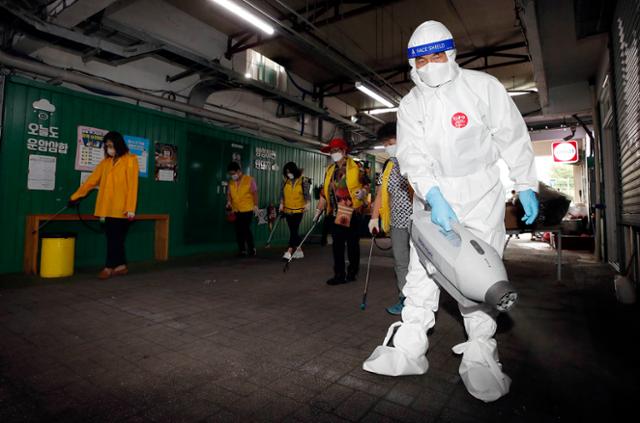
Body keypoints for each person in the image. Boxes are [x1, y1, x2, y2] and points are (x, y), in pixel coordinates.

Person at [363, 21, 539, 402]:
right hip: (434, 196)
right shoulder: (411, 104)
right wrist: (434, 196)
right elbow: (411, 156)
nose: (430, 64)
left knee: (478, 274)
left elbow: (512, 134)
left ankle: (480, 354)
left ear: (451, 54)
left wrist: (525, 183)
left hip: (482, 193)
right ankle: (409, 347)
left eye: (437, 56)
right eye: (421, 60)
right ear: (412, 64)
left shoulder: (482, 88)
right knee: (422, 270)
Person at [68, 131, 139, 279]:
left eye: (111, 146)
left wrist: (131, 209)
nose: (109, 149)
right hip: (106, 208)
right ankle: (121, 266)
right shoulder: (105, 163)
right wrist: (75, 196)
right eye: (107, 146)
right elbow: (91, 181)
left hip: (122, 209)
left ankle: (108, 267)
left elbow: (133, 186)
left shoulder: (131, 160)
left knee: (115, 239)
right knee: (115, 239)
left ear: (118, 145)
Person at [368, 122, 413, 315]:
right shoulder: (388, 165)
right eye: (385, 143)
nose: (387, 146)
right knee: (401, 262)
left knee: (420, 263)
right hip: (396, 223)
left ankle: (421, 302)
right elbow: (380, 194)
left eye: (390, 141)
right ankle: (405, 299)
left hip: (416, 221)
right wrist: (374, 218)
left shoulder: (414, 159)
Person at [314, 138, 369, 285]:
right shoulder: (330, 171)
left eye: (336, 150)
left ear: (344, 151)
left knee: (352, 245)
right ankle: (339, 274)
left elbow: (366, 185)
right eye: (332, 151)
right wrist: (319, 209)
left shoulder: (356, 166)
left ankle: (352, 272)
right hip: (334, 213)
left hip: (351, 212)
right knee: (337, 246)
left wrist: (363, 192)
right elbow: (324, 193)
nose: (334, 153)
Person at [279, 162, 311, 260]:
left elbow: (307, 194)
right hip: (288, 210)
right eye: (286, 172)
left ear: (294, 171)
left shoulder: (303, 180)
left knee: (294, 230)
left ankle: (289, 251)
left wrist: (308, 203)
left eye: (290, 172)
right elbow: (281, 194)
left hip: (298, 209)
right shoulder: (285, 181)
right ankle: (299, 250)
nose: (288, 174)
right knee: (293, 231)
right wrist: (281, 204)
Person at [226, 162, 259, 257]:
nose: (232, 176)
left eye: (233, 173)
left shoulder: (249, 180)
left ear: (239, 171)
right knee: (238, 230)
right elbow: (229, 194)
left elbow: (255, 193)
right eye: (230, 174)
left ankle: (252, 249)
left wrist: (256, 205)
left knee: (245, 229)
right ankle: (242, 250)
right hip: (236, 210)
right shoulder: (231, 182)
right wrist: (228, 202)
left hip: (247, 209)